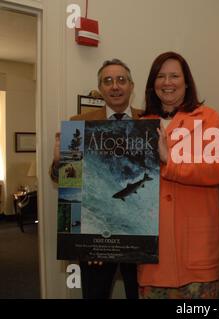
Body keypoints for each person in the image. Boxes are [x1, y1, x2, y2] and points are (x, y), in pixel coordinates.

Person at [138, 51, 219, 298]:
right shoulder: (140, 124)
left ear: (186, 82)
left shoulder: (209, 118)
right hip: (153, 260)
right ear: (152, 84)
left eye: (174, 76)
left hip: (197, 257)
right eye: (160, 76)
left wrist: (170, 160)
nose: (167, 82)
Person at [50, 58, 142, 299]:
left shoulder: (150, 122)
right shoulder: (79, 123)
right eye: (108, 81)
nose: (115, 86)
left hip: (142, 234)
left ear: (132, 86)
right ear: (100, 89)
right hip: (96, 236)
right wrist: (60, 162)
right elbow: (68, 184)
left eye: (121, 80)